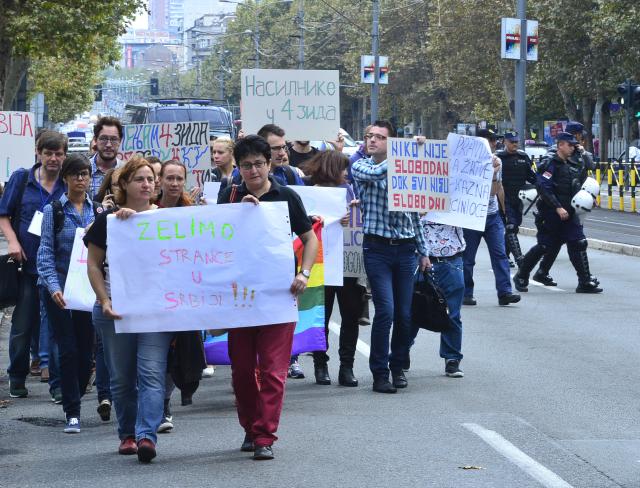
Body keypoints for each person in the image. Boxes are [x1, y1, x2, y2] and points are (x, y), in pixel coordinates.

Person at [217, 135, 319, 460]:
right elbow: (214, 240)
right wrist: (238, 214)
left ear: (269, 163)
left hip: (278, 296)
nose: (253, 171)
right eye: (246, 166)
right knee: (243, 371)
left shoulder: (286, 196)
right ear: (238, 166)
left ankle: (265, 437)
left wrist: (303, 274)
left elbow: (310, 239)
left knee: (274, 371)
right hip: (241, 299)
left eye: (259, 164)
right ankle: (250, 427)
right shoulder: (229, 195)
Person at [85, 157, 173, 463]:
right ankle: (128, 434)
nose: (147, 184)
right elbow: (93, 265)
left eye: (150, 179)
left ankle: (147, 435)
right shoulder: (107, 221)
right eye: (139, 179)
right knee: (122, 378)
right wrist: (103, 299)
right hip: (115, 311)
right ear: (124, 184)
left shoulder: (168, 220)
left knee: (151, 373)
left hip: (155, 312)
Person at [351, 120, 429, 394]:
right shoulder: (361, 166)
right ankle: (379, 372)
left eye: (380, 137)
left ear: (391, 142)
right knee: (386, 311)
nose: (372, 140)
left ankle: (398, 366)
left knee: (405, 315)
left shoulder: (407, 171)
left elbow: (415, 214)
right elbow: (375, 175)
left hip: (406, 249)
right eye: (369, 136)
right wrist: (406, 155)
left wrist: (424, 251)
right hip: (378, 249)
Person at [0, 131, 67, 399]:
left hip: (57, 268)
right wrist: (13, 242)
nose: (53, 158)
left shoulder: (67, 182)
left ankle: (58, 384)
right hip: (27, 266)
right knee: (23, 325)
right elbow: (3, 215)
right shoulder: (22, 178)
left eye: (58, 153)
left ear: (65, 155)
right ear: (38, 153)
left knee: (57, 327)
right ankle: (17, 376)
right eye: (48, 153)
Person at [36, 154, 95, 433]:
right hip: (59, 289)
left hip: (87, 290)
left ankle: (76, 391)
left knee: (86, 352)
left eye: (85, 174)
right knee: (68, 349)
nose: (81, 179)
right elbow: (45, 252)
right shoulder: (53, 211)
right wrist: (53, 287)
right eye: (75, 174)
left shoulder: (96, 212)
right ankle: (72, 411)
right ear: (66, 178)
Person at [514, 132, 602, 294]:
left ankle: (584, 281)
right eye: (570, 145)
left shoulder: (570, 164)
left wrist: (589, 198)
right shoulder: (550, 164)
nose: (573, 148)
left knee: (578, 242)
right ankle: (521, 274)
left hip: (570, 213)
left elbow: (575, 186)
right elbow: (544, 188)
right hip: (551, 214)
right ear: (561, 145)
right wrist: (557, 207)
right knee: (544, 246)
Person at [304, 150, 363, 387]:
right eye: (342, 169)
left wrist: (354, 216)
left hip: (347, 261)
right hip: (322, 262)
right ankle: (321, 364)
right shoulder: (309, 191)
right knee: (322, 316)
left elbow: (360, 223)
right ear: (331, 169)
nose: (346, 173)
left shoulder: (349, 190)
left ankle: (346, 367)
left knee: (350, 315)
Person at [256, 124, 306, 379]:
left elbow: (301, 214)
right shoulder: (238, 183)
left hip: (281, 265)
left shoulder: (289, 175)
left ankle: (289, 359)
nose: (282, 153)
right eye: (275, 148)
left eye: (283, 147)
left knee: (282, 318)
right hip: (251, 270)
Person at [531, 121, 598, 287]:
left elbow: (589, 168)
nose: (579, 140)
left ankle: (542, 273)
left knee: (561, 242)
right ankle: (584, 279)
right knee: (570, 241)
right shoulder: (555, 155)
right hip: (555, 206)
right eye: (578, 136)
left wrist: (589, 196)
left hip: (573, 203)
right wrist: (557, 206)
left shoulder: (577, 153)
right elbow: (544, 182)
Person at [462, 129, 521, 306]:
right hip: (472, 216)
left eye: (494, 140)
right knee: (467, 258)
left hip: (492, 216)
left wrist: (504, 213)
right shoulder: (466, 162)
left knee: (500, 254)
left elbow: (496, 190)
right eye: (489, 140)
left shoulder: (497, 162)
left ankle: (505, 292)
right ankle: (466, 293)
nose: (493, 143)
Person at [410, 219, 466, 377]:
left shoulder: (458, 194)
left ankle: (452, 358)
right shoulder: (415, 195)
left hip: (452, 258)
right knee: (414, 309)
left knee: (452, 313)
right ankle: (402, 351)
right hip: (419, 258)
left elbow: (492, 193)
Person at [496, 131, 536, 267]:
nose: (514, 144)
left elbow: (532, 176)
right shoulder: (498, 158)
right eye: (511, 142)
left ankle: (505, 256)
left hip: (519, 199)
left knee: (514, 227)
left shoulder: (523, 157)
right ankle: (520, 259)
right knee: (511, 226)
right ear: (504, 142)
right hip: (502, 198)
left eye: (516, 142)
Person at [89, 117, 122, 199]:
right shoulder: (83, 170)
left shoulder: (127, 170)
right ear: (95, 140)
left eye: (114, 139)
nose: (108, 145)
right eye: (104, 138)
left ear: (120, 141)